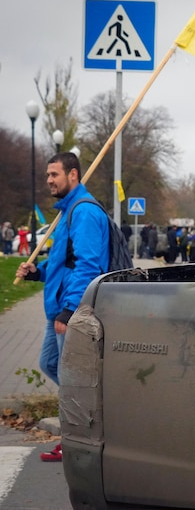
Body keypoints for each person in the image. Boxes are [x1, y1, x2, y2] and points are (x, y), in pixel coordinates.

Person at [15, 152, 109, 462]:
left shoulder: (83, 212)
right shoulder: (68, 212)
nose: (49, 181)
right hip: (57, 310)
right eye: (47, 176)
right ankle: (87, 424)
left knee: (72, 379)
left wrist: (69, 312)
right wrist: (37, 272)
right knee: (50, 365)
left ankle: (78, 438)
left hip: (69, 312)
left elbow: (88, 265)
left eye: (54, 174)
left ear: (73, 175)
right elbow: (64, 264)